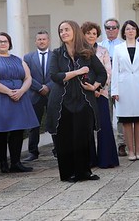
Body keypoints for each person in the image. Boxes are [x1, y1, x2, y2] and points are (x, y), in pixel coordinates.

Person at [45, 20, 107, 182]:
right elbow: (55, 76)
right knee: (64, 137)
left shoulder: (87, 52)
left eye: (66, 29)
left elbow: (102, 73)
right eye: (61, 30)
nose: (63, 33)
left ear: (74, 31)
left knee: (83, 136)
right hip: (62, 101)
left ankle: (84, 172)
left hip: (84, 100)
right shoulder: (57, 53)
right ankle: (68, 173)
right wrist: (78, 71)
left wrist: (94, 87)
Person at [0, 32, 39, 173]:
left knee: (18, 130)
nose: (2, 43)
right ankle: (3, 163)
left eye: (5, 41)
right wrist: (8, 91)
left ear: (9, 43)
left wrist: (22, 91)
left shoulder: (18, 60)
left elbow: (28, 77)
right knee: (0, 131)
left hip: (18, 98)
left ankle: (16, 163)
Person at [112, 20, 139, 161]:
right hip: (124, 88)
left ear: (137, 31)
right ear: (124, 32)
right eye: (128, 29)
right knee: (127, 121)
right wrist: (114, 90)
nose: (130, 31)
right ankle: (130, 151)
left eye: (133, 28)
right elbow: (115, 70)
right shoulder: (118, 49)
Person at [81, 21, 118, 169]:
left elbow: (108, 73)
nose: (91, 36)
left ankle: (106, 159)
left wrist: (97, 88)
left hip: (100, 93)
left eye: (94, 33)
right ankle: (89, 160)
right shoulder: (79, 51)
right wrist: (88, 89)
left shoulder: (103, 51)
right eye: (88, 33)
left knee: (104, 126)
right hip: (84, 95)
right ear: (83, 35)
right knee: (86, 127)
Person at [23, 31, 54, 162]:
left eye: (44, 39)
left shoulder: (56, 56)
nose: (41, 41)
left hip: (52, 94)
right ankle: (33, 152)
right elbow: (26, 75)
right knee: (33, 125)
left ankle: (57, 150)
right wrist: (40, 87)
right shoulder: (28, 57)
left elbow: (59, 73)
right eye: (39, 39)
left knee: (54, 122)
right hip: (34, 94)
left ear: (48, 41)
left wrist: (48, 86)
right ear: (35, 42)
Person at [99, 18, 128, 157]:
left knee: (121, 115)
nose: (110, 30)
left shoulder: (123, 45)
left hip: (120, 83)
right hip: (105, 85)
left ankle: (122, 143)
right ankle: (109, 143)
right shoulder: (99, 46)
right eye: (108, 28)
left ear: (118, 29)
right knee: (106, 115)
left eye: (113, 27)